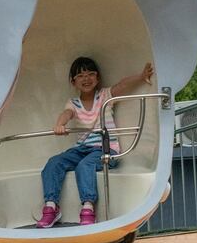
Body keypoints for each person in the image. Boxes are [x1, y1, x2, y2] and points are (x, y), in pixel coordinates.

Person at [36, 57, 154, 228]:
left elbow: (122, 85)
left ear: (97, 78)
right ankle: (51, 207)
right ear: (73, 81)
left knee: (84, 166)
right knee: (54, 163)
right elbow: (66, 113)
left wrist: (141, 76)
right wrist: (60, 124)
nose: (86, 79)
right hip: (82, 149)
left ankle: (88, 207)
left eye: (91, 74)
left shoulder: (104, 96)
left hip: (106, 150)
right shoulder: (73, 103)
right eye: (81, 76)